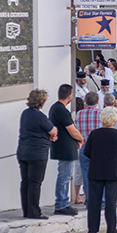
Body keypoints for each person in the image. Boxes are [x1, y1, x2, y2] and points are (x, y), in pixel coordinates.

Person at [84, 106, 117, 233]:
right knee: (111, 201)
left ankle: (93, 228)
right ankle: (111, 228)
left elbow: (87, 152)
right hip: (113, 171)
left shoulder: (94, 134)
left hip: (96, 170)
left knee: (94, 201)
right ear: (115, 120)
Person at [16, 89, 58, 219]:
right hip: (37, 153)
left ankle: (27, 210)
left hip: (23, 151)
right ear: (42, 102)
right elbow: (52, 130)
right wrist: (53, 136)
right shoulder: (40, 116)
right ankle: (34, 211)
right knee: (35, 183)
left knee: (26, 182)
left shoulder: (25, 114)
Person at [50, 84, 83, 216]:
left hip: (63, 147)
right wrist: (81, 138)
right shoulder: (61, 110)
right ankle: (61, 204)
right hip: (65, 148)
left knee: (66, 175)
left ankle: (63, 203)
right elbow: (72, 130)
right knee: (64, 176)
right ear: (69, 96)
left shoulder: (54, 108)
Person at [76, 92, 103, 205]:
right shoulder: (100, 113)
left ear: (85, 101)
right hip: (98, 146)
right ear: (97, 102)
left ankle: (90, 200)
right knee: (100, 174)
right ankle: (101, 200)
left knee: (86, 175)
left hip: (84, 145)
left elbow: (76, 129)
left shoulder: (79, 114)